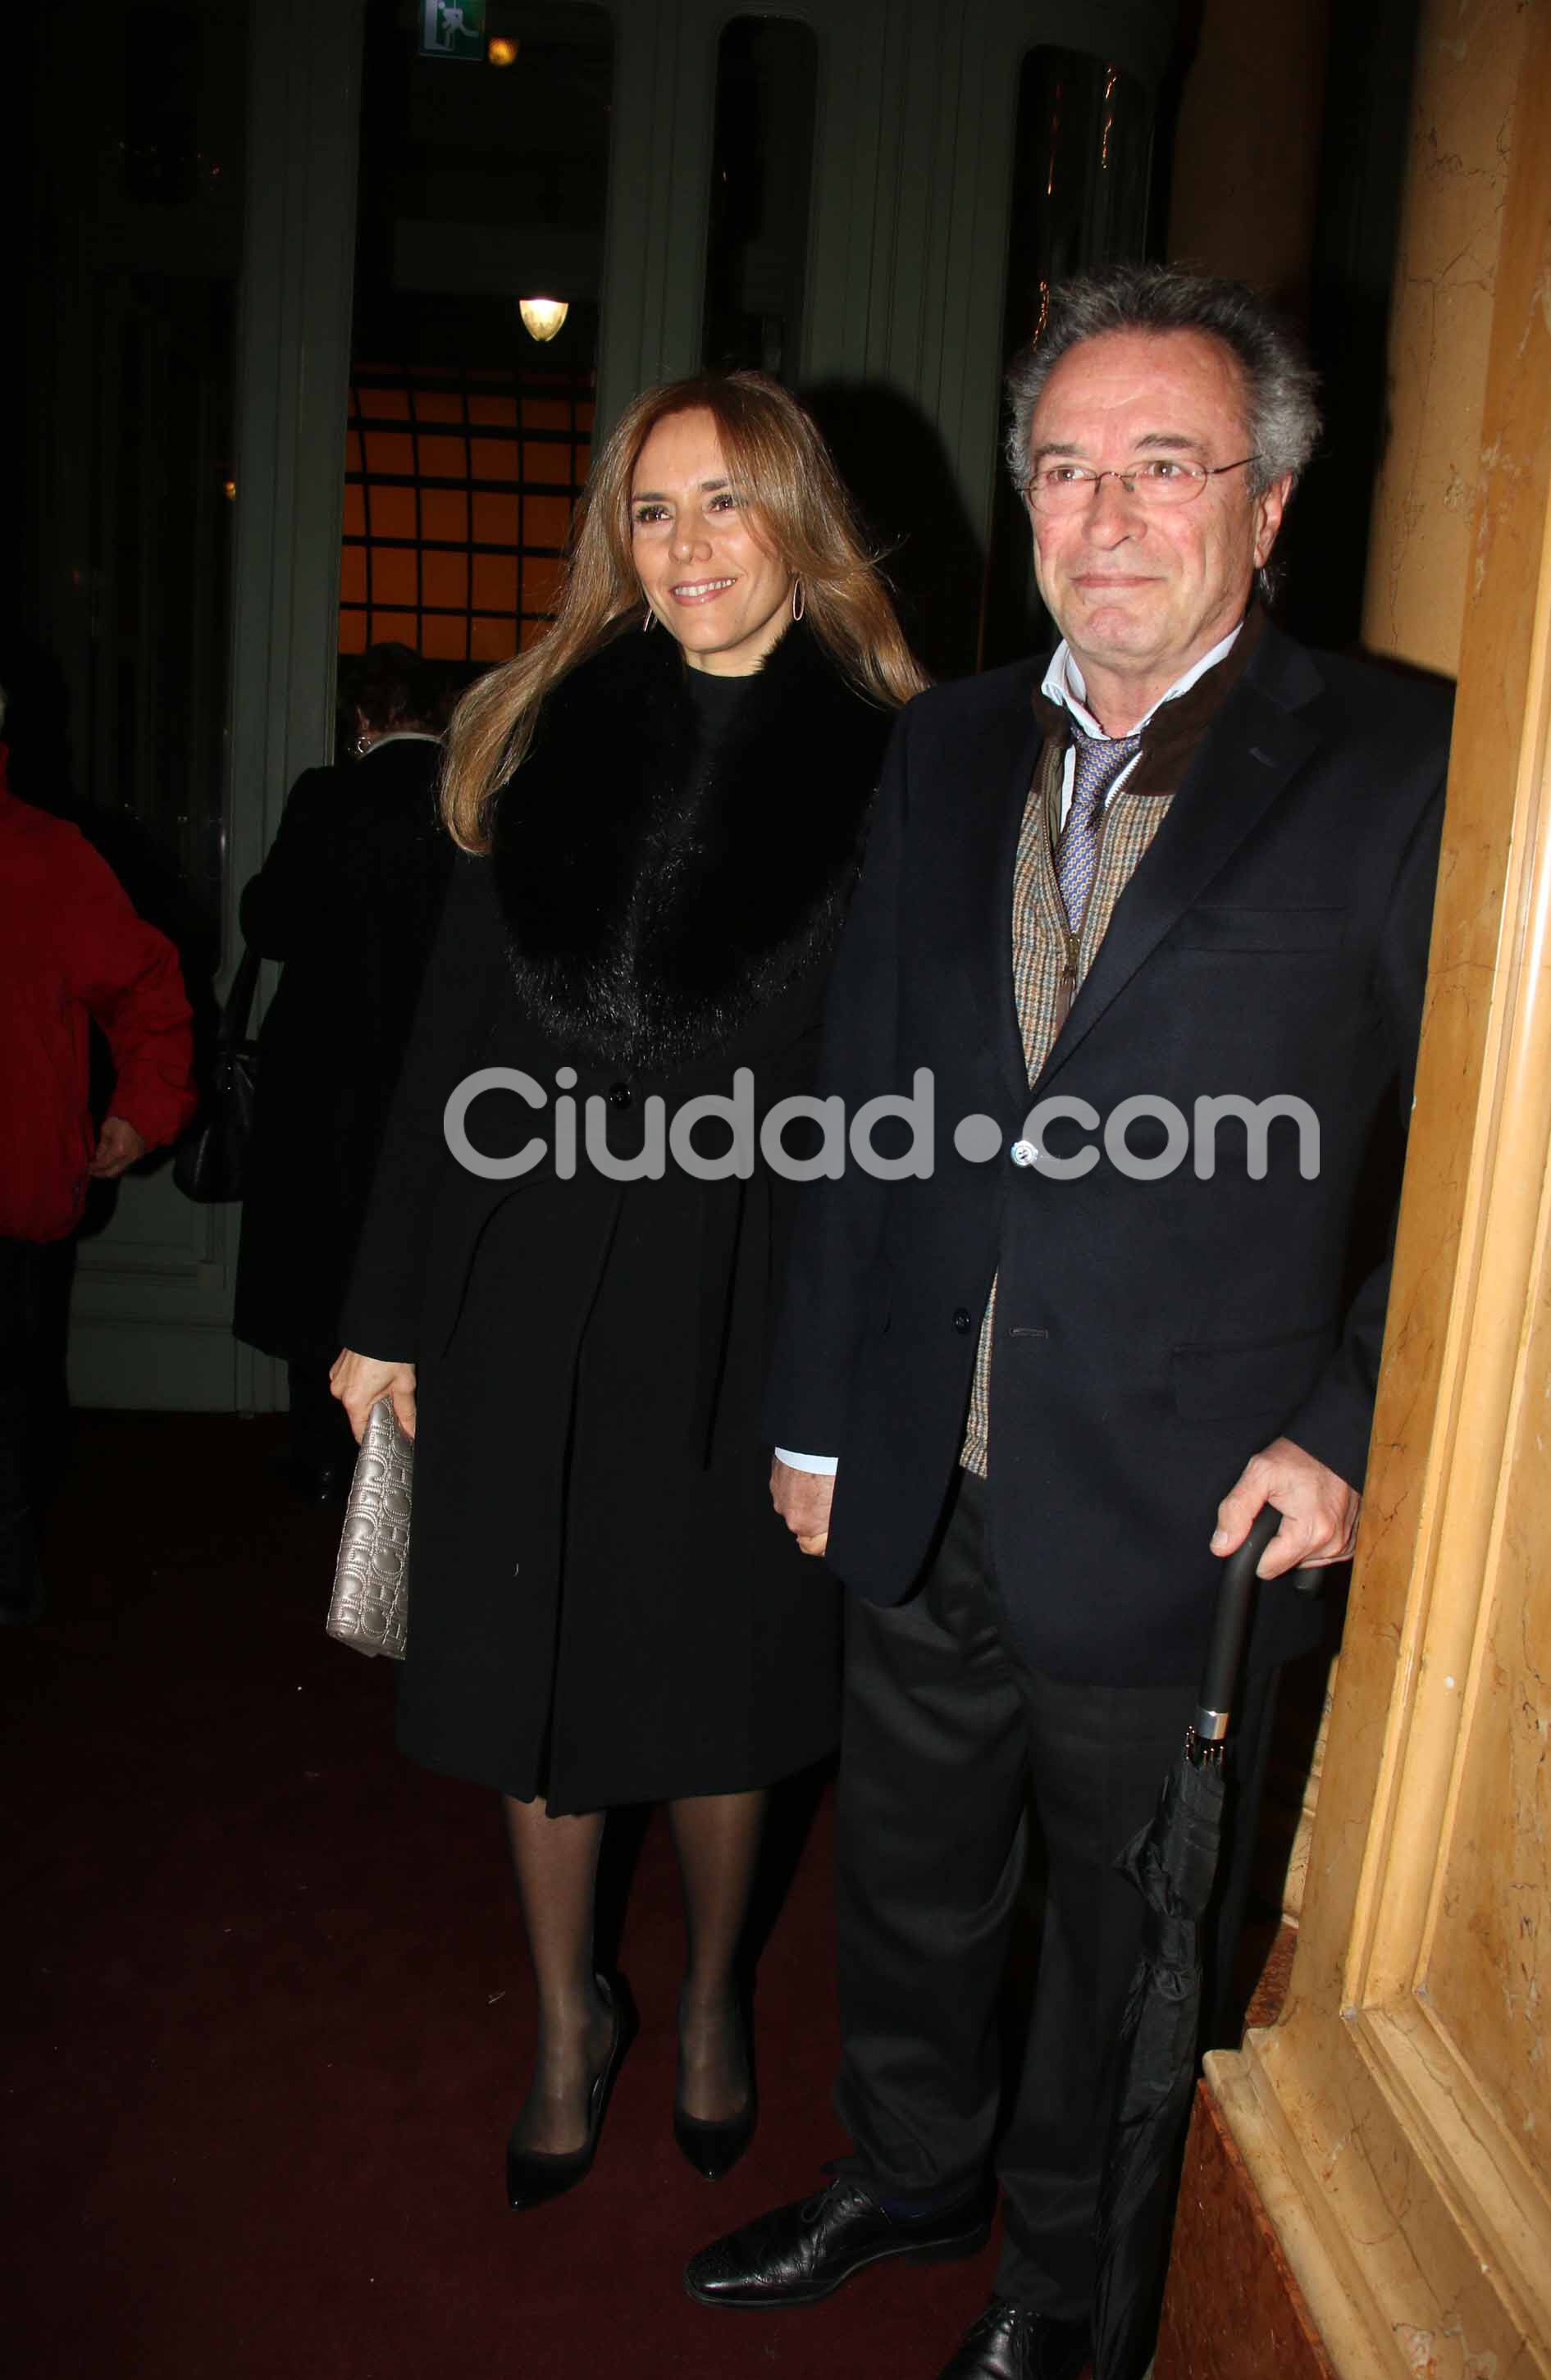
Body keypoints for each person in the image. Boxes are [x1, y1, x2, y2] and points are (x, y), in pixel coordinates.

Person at [687, 268, 1453, 2380]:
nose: (1106, 514)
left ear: (1271, 505)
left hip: (1189, 1503)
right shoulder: (938, 751)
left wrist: (1347, 1418)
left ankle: (1050, 2286)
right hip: (926, 1463)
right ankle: (908, 2175)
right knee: (915, 1886)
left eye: (1166, 466)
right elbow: (864, 1107)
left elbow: (1489, 1158)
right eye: (1063, 467)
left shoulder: (1403, 763)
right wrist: (827, 1418)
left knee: (1123, 1946)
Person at [331, 372, 926, 2206]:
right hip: (525, 1279)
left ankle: (713, 2000)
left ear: (799, 524)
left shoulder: (900, 759)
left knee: (726, 1680)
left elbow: (903, 1086)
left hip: (751, 1285)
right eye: (653, 510)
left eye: (727, 503)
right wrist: (387, 1304)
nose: (686, 547)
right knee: (537, 1667)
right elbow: (447, 1046)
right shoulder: (535, 730)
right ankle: (563, 2020)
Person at [233, 644, 453, 1501]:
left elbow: (271, 923)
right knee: (417, 1257)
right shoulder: (473, 802)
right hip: (436, 1083)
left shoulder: (327, 798)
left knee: (315, 1262)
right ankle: (418, 1459)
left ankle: (325, 1457)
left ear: (362, 720)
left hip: (320, 1078)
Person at [0, 686, 195, 1623]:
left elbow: (146, 984)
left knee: (12, 1408)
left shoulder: (45, 856)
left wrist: (141, 1107)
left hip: (14, 1188)